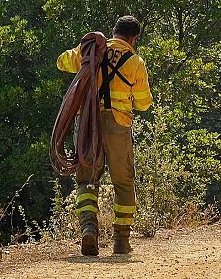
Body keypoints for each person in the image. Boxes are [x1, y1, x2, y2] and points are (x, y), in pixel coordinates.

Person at [56, 15, 153, 256]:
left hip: (88, 123)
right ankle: (121, 241)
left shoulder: (91, 51)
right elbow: (143, 103)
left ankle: (89, 228)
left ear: (113, 31)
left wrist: (85, 47)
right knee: (124, 182)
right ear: (134, 39)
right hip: (119, 124)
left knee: (87, 180)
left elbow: (61, 62)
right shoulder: (136, 62)